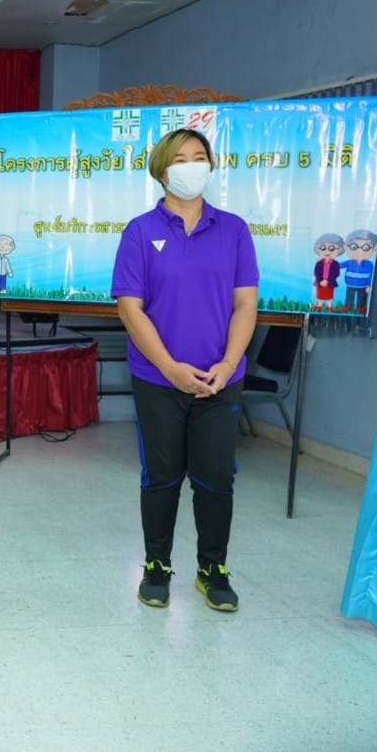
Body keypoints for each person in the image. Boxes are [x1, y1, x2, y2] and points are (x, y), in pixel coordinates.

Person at [111, 128, 259, 613]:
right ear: (161, 169)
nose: (191, 167)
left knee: (216, 476)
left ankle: (213, 569)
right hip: (158, 379)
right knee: (162, 475)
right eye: (180, 159)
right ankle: (156, 566)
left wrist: (229, 363)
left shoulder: (233, 230)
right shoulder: (139, 232)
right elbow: (130, 308)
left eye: (200, 157)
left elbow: (245, 304)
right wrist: (169, 367)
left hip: (220, 379)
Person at [339, 228, 377, 314]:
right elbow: (338, 265)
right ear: (346, 247)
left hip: (363, 285)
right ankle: (348, 306)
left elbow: (371, 276)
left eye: (366, 247)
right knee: (349, 297)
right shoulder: (349, 262)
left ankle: (360, 308)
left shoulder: (369, 264)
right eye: (354, 247)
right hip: (350, 284)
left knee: (362, 297)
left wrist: (369, 285)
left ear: (374, 249)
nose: (359, 251)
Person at [312, 232, 344, 307]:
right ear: (318, 249)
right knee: (320, 293)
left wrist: (328, 280)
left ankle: (329, 305)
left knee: (329, 294)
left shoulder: (335, 263)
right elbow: (316, 272)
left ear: (339, 250)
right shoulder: (319, 263)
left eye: (331, 248)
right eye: (323, 248)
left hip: (330, 282)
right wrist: (320, 280)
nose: (327, 251)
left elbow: (336, 273)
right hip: (320, 282)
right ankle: (319, 304)